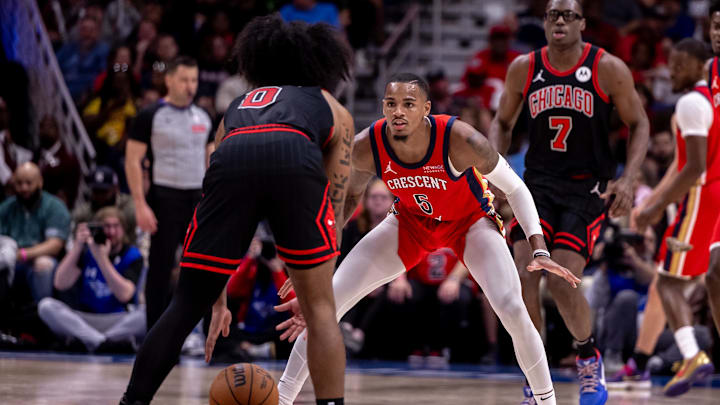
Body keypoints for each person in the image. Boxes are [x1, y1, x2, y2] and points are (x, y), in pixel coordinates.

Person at [270, 73, 580, 405]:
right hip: (410, 222)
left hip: (469, 222)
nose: (398, 112)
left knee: (511, 307)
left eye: (408, 104)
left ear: (426, 109)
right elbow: (345, 202)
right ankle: (281, 398)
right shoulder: (367, 144)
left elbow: (515, 188)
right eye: (390, 104)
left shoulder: (460, 138)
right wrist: (315, 261)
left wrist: (539, 247)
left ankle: (547, 402)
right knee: (327, 304)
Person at [119, 15, 354, 405]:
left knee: (183, 303)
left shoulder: (237, 105)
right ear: (319, 63)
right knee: (320, 309)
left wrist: (217, 294)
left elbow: (217, 177)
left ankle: (132, 402)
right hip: (294, 154)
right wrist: (313, 276)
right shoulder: (330, 105)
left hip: (233, 154)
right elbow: (335, 199)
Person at [488, 1, 650, 404]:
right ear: (544, 22)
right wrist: (492, 173)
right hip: (537, 187)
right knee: (524, 276)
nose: (559, 21)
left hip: (586, 190)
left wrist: (628, 179)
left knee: (562, 281)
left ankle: (588, 356)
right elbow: (502, 121)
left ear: (581, 22)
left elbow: (640, 122)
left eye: (568, 15)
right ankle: (535, 374)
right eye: (552, 15)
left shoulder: (607, 68)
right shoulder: (524, 67)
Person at [633, 38, 718, 397]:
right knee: (708, 280)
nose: (672, 71)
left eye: (680, 64)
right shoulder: (710, 100)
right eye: (671, 63)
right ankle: (691, 357)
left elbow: (692, 167)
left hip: (700, 198)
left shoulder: (691, 103)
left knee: (667, 281)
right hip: (712, 194)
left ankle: (692, 356)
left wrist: (653, 206)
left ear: (701, 67)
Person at [125, 56, 213, 332]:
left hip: (197, 199)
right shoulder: (150, 115)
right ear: (169, 80)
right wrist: (140, 205)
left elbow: (212, 161)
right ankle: (154, 335)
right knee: (160, 270)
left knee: (205, 267)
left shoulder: (203, 117)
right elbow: (132, 161)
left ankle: (212, 337)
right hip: (163, 198)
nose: (190, 86)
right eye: (185, 80)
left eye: (194, 80)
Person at [38, 207, 145, 352]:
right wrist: (77, 246)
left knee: (147, 313)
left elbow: (125, 295)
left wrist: (102, 258)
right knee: (46, 306)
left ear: (124, 229)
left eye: (116, 226)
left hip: (118, 319)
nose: (111, 232)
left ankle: (92, 341)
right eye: (106, 226)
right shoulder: (86, 251)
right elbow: (60, 283)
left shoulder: (132, 255)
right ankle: (102, 342)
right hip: (84, 320)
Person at [0, 163, 70, 303]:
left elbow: (54, 245)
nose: (24, 188)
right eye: (19, 183)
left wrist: (23, 254)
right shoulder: (7, 207)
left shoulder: (54, 206)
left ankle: (42, 313)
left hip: (39, 259)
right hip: (11, 259)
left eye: (28, 183)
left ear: (40, 182)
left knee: (43, 263)